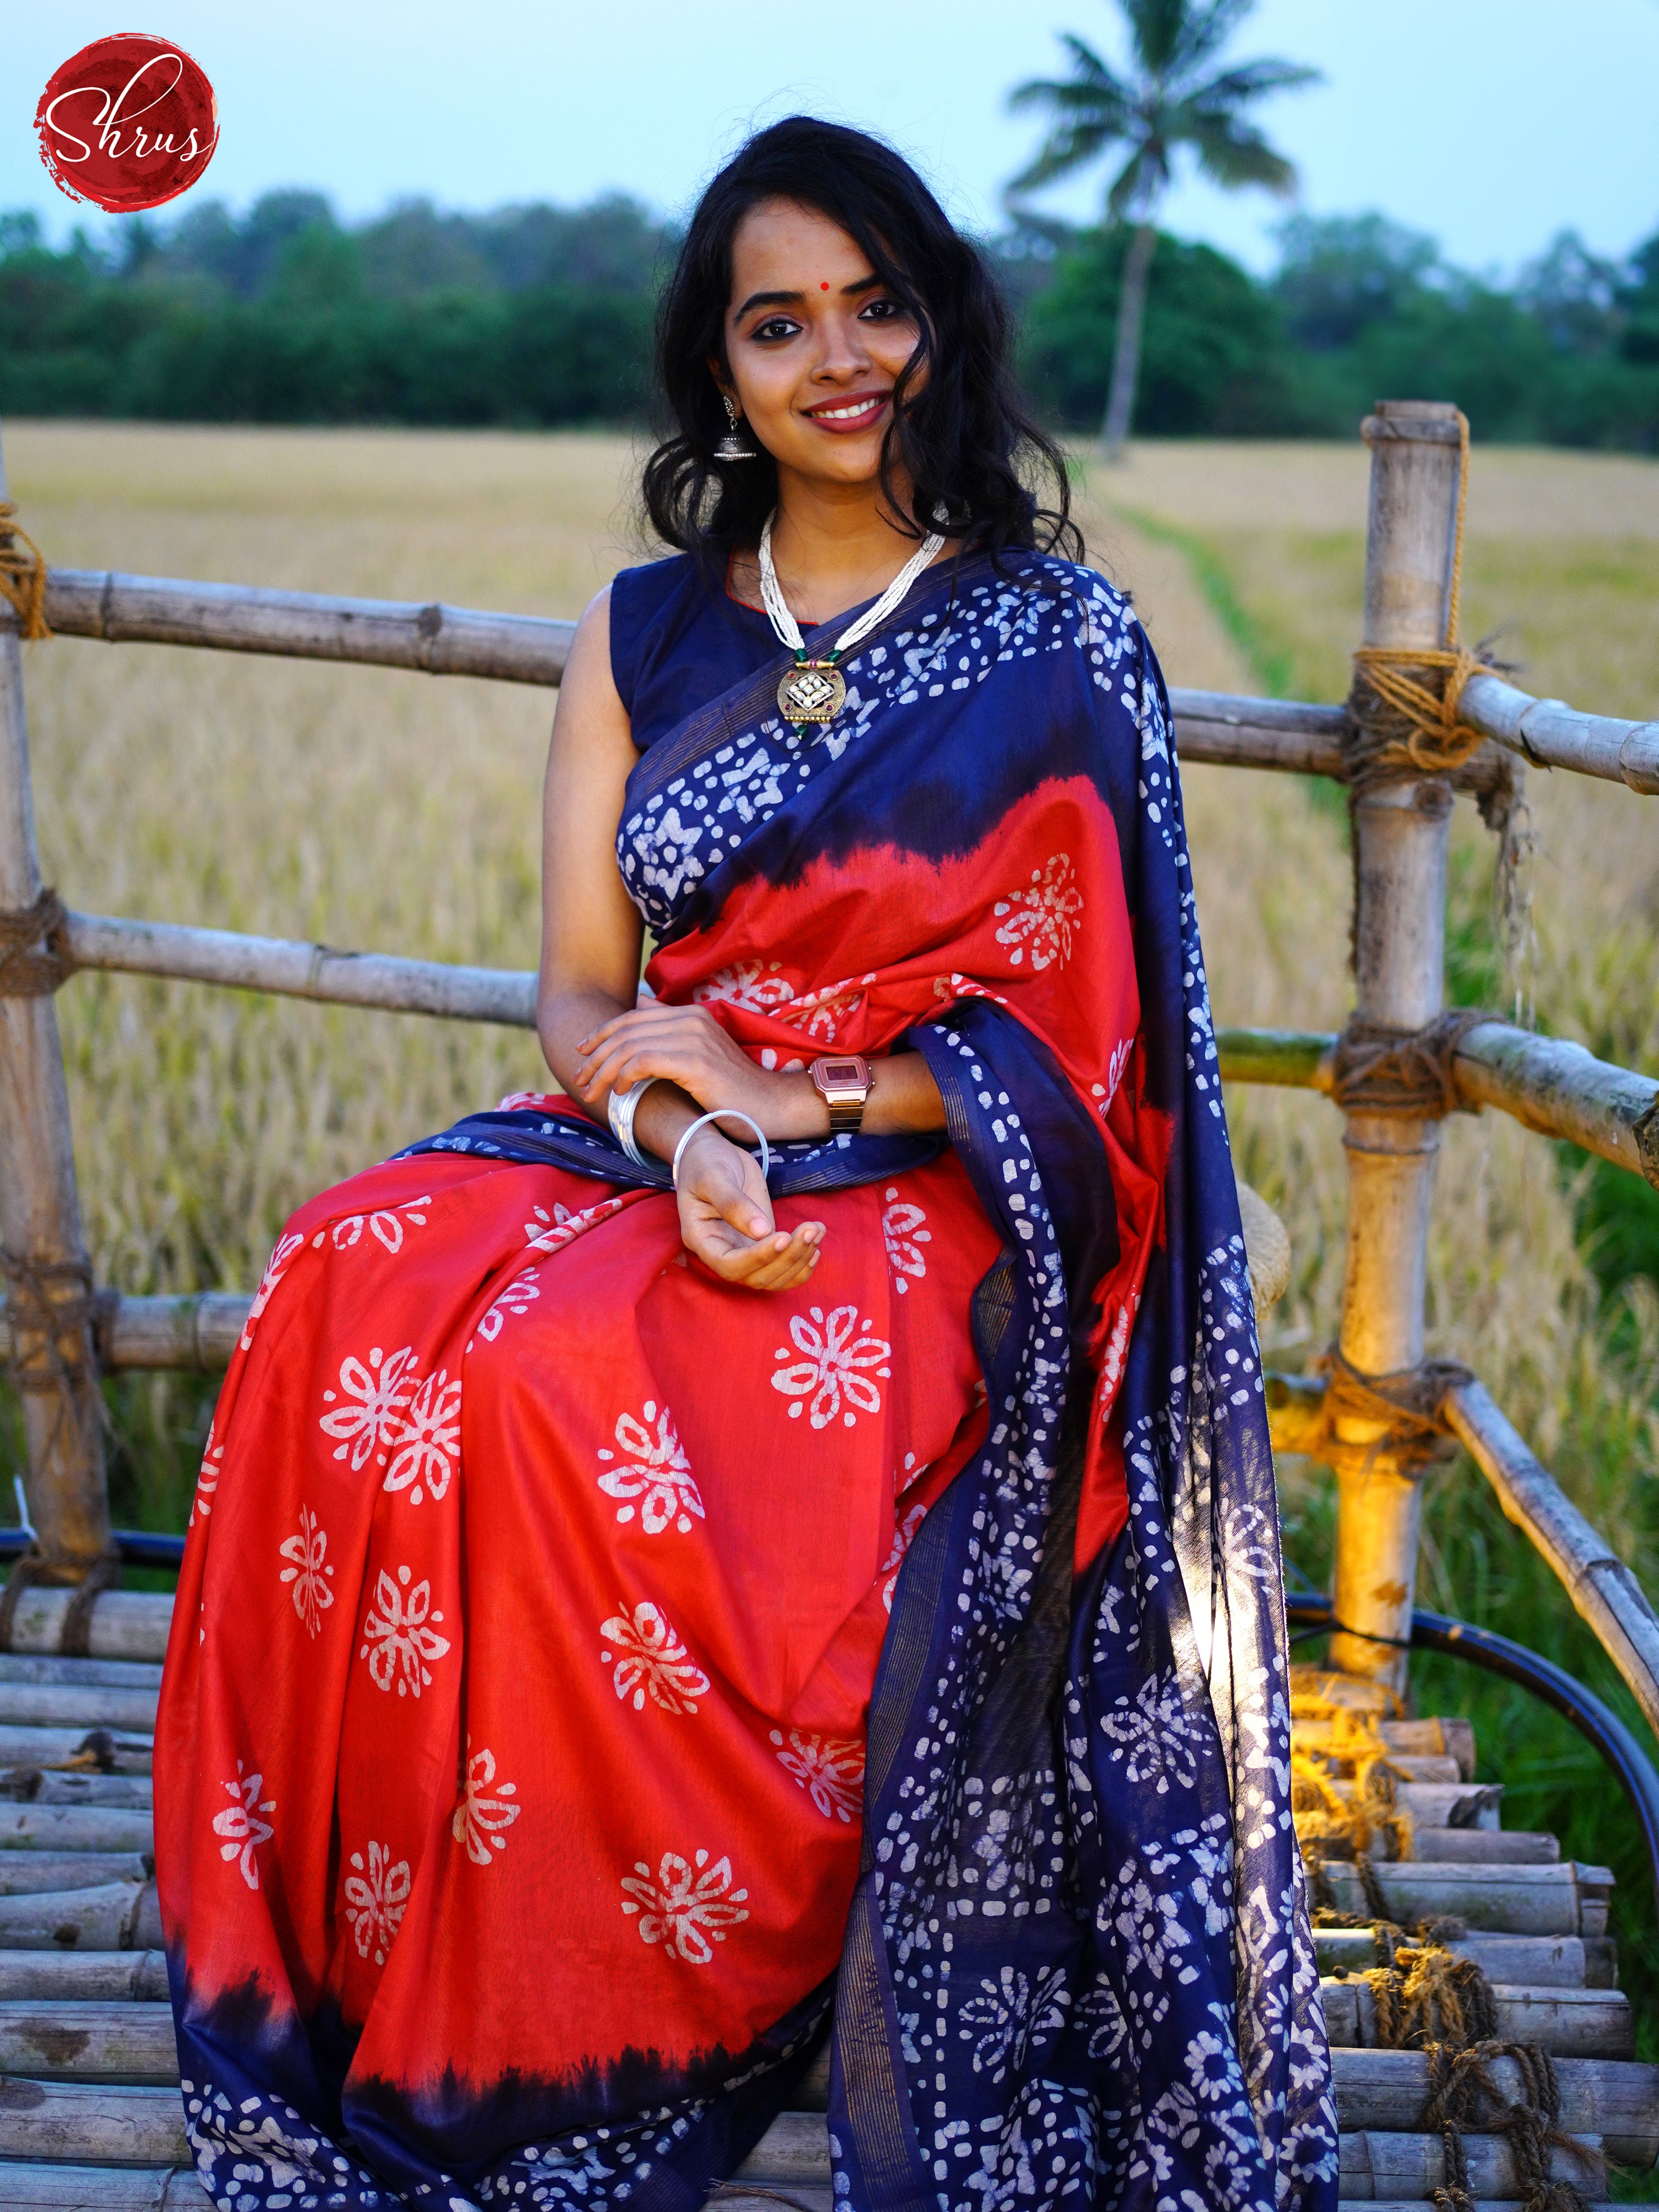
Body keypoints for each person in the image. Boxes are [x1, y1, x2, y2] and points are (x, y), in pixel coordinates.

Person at [155, 117, 1337, 2212]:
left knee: (549, 1381)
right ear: (720, 374)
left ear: (941, 319)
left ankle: (631, 1979)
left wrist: (806, 1108)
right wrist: (684, 1123)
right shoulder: (639, 629)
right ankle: (389, 1935)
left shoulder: (1059, 643)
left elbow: (1096, 1059)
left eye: (877, 303)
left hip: (932, 1178)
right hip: (657, 1130)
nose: (840, 356)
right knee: (347, 1269)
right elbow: (579, 984)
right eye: (779, 323)